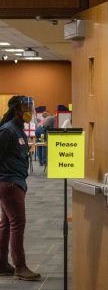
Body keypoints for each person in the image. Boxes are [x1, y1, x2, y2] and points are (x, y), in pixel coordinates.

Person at [0, 96, 41, 281]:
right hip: (9, 183)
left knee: (7, 223)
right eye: (25, 107)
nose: (29, 111)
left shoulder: (19, 129)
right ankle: (20, 266)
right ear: (16, 110)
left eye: (29, 107)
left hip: (15, 182)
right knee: (17, 223)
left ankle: (2, 264)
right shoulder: (8, 131)